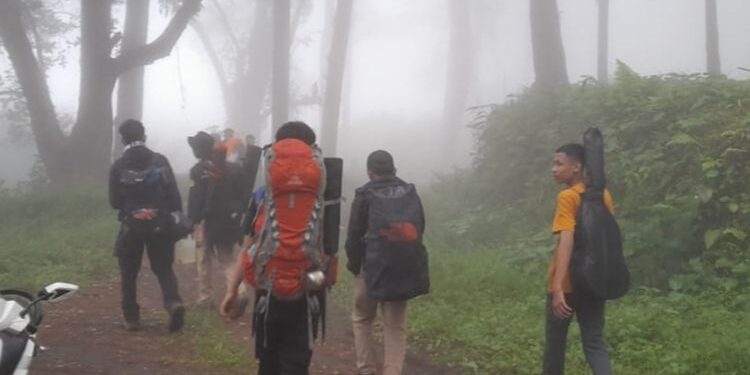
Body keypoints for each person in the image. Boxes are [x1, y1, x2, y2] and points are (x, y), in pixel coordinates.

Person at [221, 121, 331, 375]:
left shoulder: (263, 195)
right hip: (310, 285)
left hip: (267, 283)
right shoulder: (325, 194)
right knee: (297, 358)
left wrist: (232, 289)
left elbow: (249, 243)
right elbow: (329, 246)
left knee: (269, 356)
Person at [345, 150, 429, 375]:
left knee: (362, 317)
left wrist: (355, 266)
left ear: (370, 172)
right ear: (394, 170)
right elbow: (419, 227)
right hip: (403, 266)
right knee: (395, 327)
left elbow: (354, 234)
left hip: (370, 267)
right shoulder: (410, 192)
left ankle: (367, 370)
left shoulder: (365, 194)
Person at [543, 143, 615, 375]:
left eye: (559, 163)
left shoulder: (567, 196)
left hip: (567, 285)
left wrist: (557, 286)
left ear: (576, 167)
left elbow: (567, 239)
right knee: (594, 343)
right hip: (594, 281)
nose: (553, 169)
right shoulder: (603, 194)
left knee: (555, 345)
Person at [109, 119, 185, 333]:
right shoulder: (160, 160)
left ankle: (131, 318)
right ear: (144, 135)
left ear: (123, 139)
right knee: (163, 268)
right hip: (160, 223)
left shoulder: (118, 166)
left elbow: (114, 202)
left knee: (129, 271)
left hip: (131, 225)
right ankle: (173, 303)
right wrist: (174, 216)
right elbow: (174, 195)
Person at [187, 131, 247, 308]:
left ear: (198, 150)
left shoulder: (197, 171)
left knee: (203, 258)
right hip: (228, 220)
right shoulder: (232, 168)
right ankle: (240, 290)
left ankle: (205, 297)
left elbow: (195, 199)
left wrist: (193, 221)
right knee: (227, 258)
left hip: (206, 222)